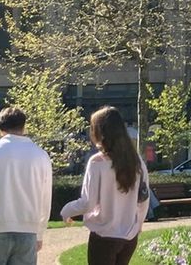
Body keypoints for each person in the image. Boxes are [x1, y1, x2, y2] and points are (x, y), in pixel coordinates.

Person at [62, 106, 150, 265]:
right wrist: (139, 225)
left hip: (104, 235)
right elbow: (143, 199)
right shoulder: (136, 161)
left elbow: (88, 203)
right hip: (129, 236)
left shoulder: (97, 162)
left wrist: (66, 210)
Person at [0, 107, 54, 265]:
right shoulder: (41, 155)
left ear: (0, 128)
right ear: (23, 126)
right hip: (28, 231)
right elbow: (45, 198)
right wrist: (39, 232)